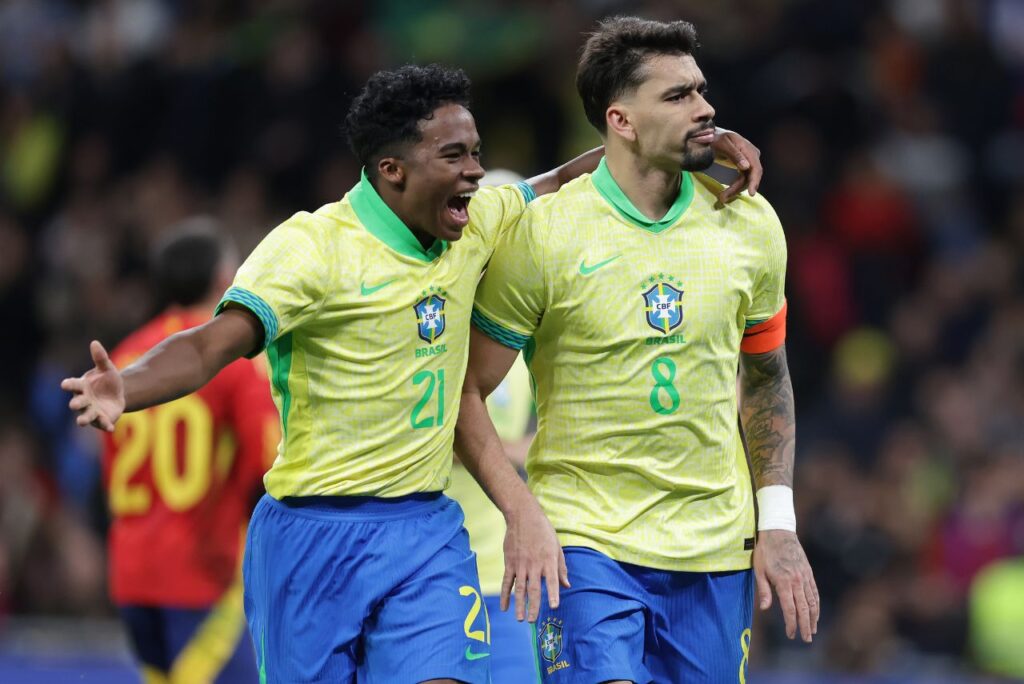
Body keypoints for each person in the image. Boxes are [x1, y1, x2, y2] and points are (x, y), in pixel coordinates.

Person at [64, 64, 764, 683]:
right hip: (313, 534)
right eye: (454, 155)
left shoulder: (476, 223)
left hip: (426, 529)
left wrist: (698, 144)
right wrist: (128, 384)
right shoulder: (313, 249)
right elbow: (210, 345)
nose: (475, 173)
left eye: (476, 153)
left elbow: (562, 179)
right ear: (392, 170)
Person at [456, 17, 818, 683]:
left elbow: (768, 377)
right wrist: (522, 511)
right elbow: (468, 390)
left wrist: (779, 522)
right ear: (619, 120)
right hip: (585, 546)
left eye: (700, 90)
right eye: (677, 96)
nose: (705, 108)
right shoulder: (544, 234)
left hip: (714, 551)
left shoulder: (750, 223)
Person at [102, 219, 279, 684]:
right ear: (225, 279)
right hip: (203, 577)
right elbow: (268, 465)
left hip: (131, 576)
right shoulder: (232, 358)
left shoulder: (125, 361)